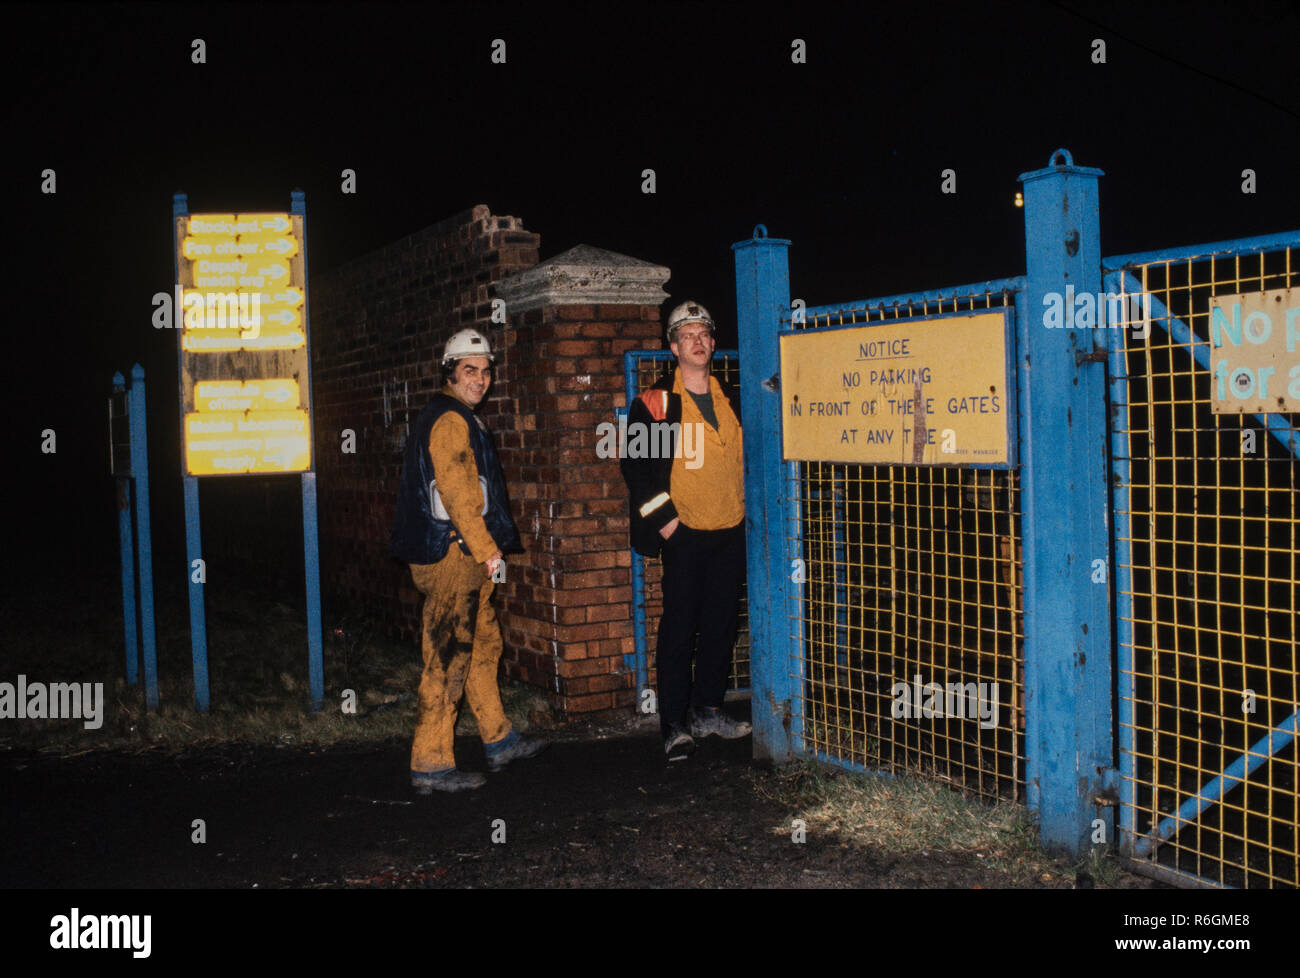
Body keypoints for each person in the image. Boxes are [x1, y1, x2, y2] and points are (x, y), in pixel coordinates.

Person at [390, 328, 546, 793]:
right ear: (450, 373)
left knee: (481, 647)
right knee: (448, 656)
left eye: (485, 372)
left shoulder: (455, 416)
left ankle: (498, 738)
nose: (479, 380)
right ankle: (431, 763)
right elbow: (459, 495)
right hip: (454, 554)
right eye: (469, 371)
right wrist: (488, 551)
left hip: (462, 552)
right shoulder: (451, 420)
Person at [620, 300, 752, 761]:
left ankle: (709, 710)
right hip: (685, 533)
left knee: (721, 624)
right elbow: (636, 470)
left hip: (730, 529)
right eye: (687, 335)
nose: (697, 342)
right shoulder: (654, 402)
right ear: (673, 347)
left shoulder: (731, 397)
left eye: (704, 334)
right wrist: (668, 524)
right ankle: (674, 723)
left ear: (713, 344)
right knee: (680, 627)